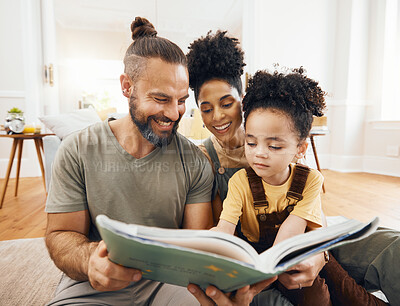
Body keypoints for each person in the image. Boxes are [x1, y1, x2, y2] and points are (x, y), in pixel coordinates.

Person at [44, 17, 276, 306]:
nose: (175, 113)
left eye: (180, 100)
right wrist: (90, 259)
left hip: (172, 283)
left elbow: (199, 246)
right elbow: (61, 234)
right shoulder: (77, 149)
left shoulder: (195, 162)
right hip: (93, 285)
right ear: (127, 86)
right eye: (160, 98)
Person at [187, 31, 396, 305]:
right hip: (256, 252)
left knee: (383, 255)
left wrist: (318, 253)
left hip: (306, 234)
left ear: (243, 99)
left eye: (227, 104)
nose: (218, 116)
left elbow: (309, 206)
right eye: (206, 109)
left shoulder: (287, 141)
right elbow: (221, 228)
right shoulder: (208, 160)